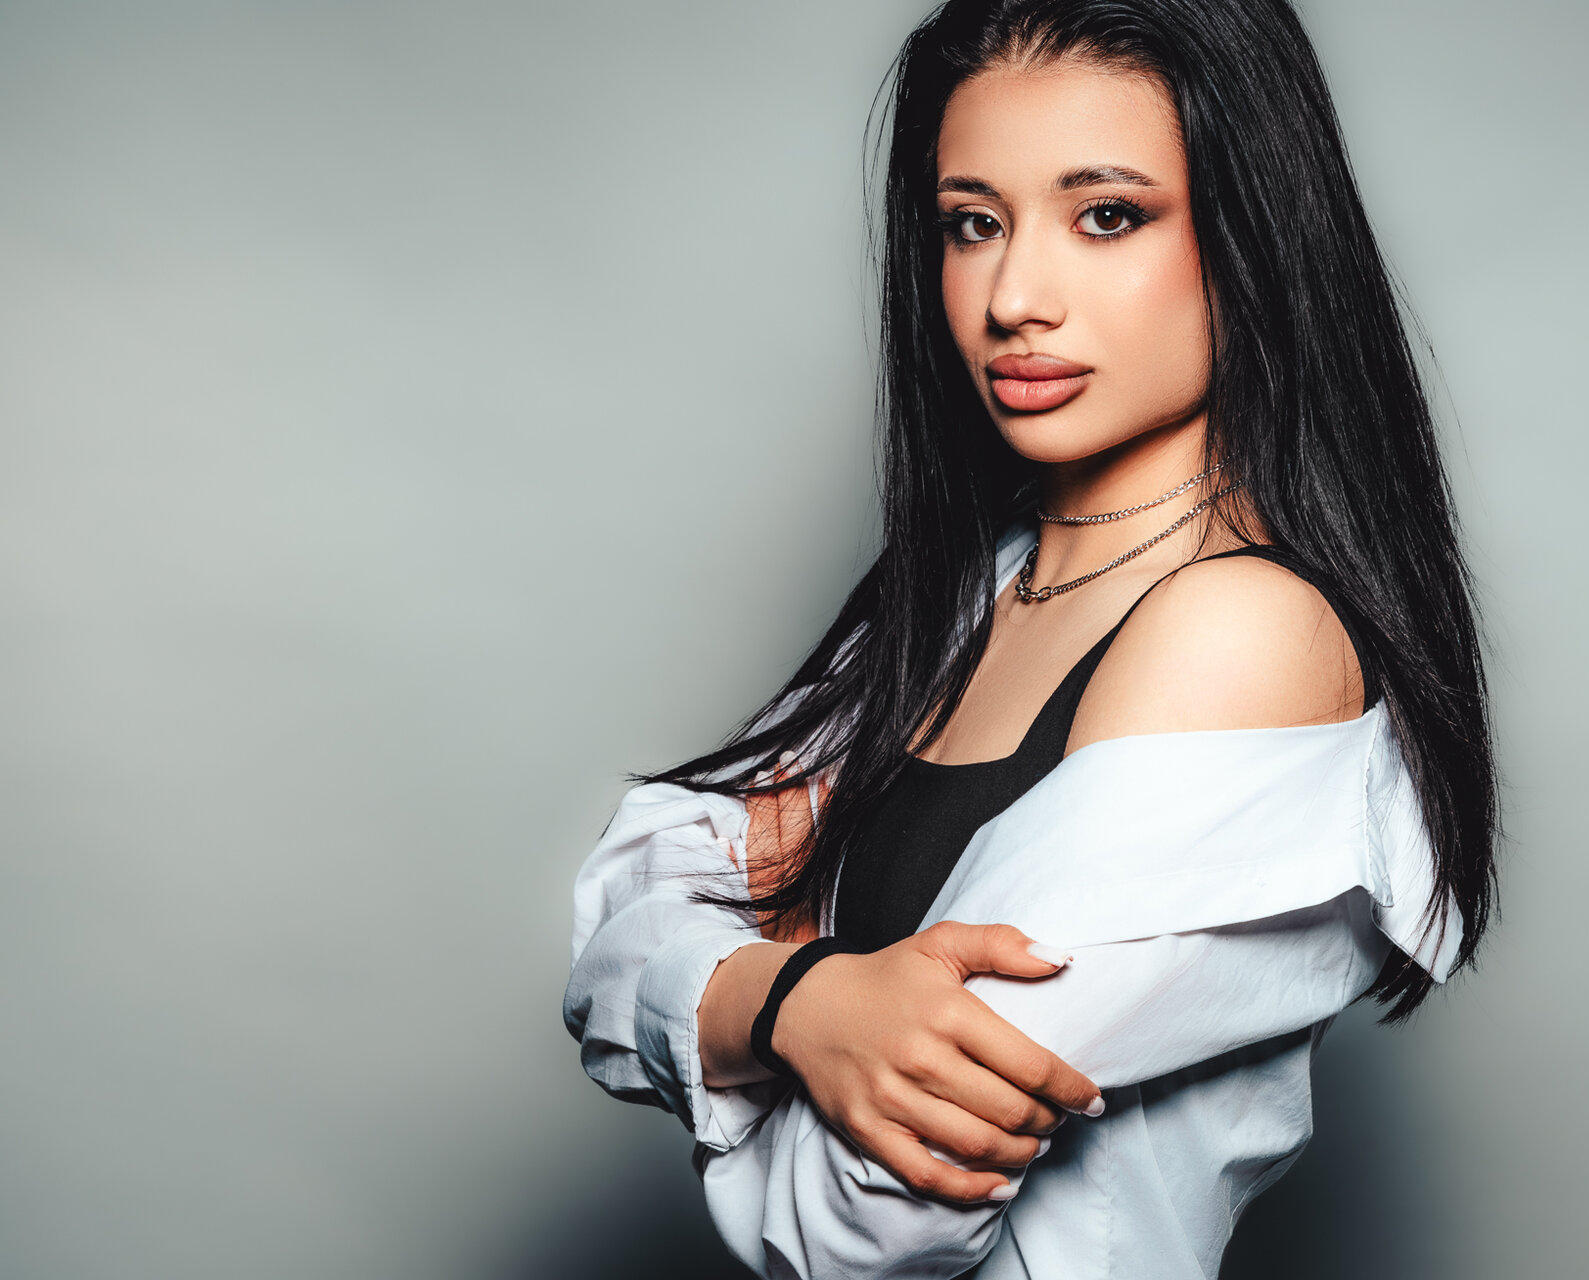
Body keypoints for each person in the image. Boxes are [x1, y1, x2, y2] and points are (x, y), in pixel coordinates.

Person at [563, 1, 1500, 1276]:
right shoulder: (969, 593)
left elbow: (865, 1220)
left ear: (1255, 232)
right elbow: (621, 912)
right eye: (973, 223)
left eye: (1106, 215)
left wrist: (746, 997)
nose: (1012, 298)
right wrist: (799, 1003)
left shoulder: (1239, 630)